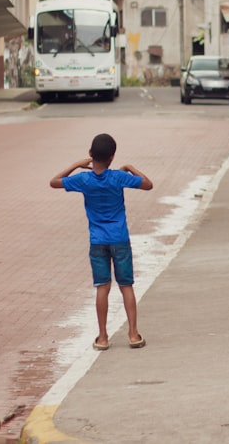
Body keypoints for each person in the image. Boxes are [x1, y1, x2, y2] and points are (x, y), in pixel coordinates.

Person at [50, 133, 153, 351]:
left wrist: (76, 165)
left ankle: (103, 337)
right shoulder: (118, 177)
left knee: (102, 287)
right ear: (112, 157)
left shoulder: (83, 179)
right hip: (120, 239)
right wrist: (131, 167)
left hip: (97, 241)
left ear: (90, 154)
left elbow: (54, 182)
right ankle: (133, 334)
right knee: (126, 285)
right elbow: (148, 185)